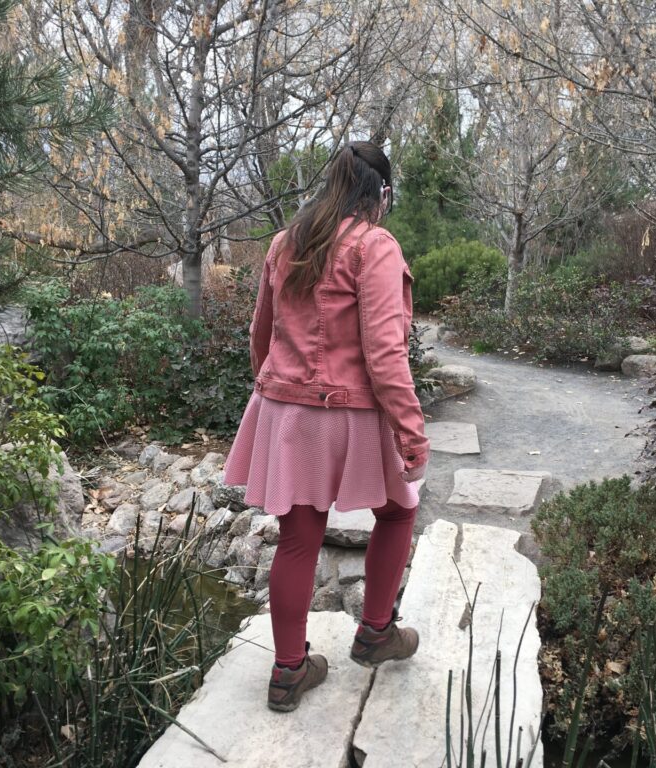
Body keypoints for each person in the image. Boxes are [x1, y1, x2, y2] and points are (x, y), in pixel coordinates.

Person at [223, 140, 429, 712]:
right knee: (399, 509)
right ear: (380, 193)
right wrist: (412, 432)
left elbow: (260, 337)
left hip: (286, 411)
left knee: (299, 538)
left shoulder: (287, 242)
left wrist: (279, 392)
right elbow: (386, 355)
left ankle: (288, 673)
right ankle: (376, 633)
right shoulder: (374, 245)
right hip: (351, 412)